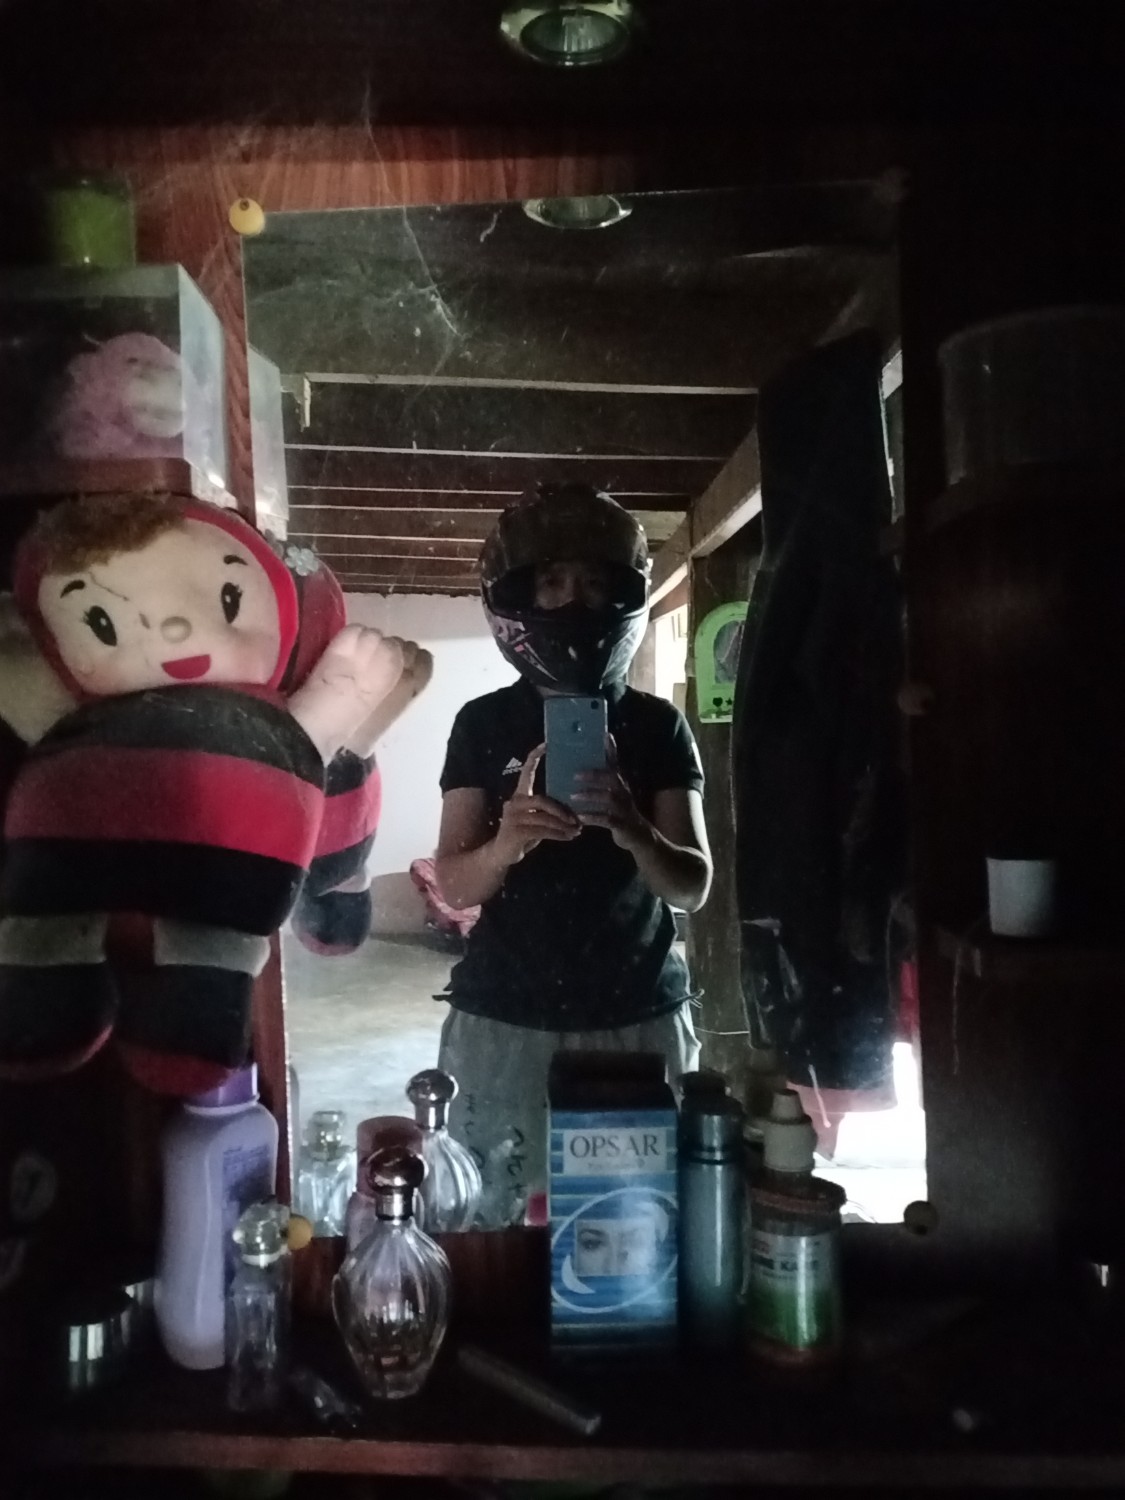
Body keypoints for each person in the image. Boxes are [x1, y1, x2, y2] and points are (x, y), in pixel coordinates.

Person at [434, 484, 713, 1226]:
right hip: (504, 1013)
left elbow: (692, 886)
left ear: (622, 593)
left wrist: (633, 827)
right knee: (495, 1225)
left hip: (635, 1011)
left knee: (634, 1230)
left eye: (592, 581)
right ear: (518, 594)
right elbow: (455, 884)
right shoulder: (482, 723)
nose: (572, 601)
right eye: (551, 581)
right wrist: (506, 844)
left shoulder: (657, 725)